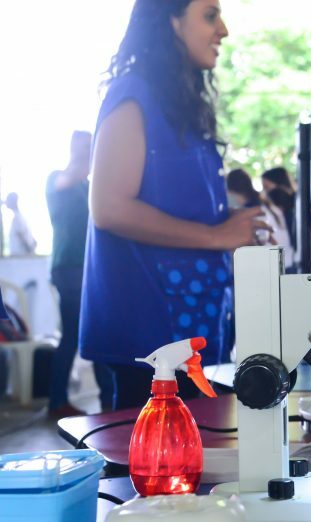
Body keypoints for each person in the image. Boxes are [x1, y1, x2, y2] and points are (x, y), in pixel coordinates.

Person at [80, 0, 269, 409]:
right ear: (171, 20)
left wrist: (233, 230)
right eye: (209, 15)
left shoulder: (179, 107)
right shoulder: (133, 94)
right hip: (152, 341)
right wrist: (217, 235)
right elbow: (109, 207)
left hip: (190, 340)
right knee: (155, 469)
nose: (224, 29)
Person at [46, 130, 114, 417]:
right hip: (69, 267)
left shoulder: (90, 186)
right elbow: (67, 180)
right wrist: (93, 158)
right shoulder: (57, 178)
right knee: (73, 336)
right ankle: (57, 401)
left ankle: (109, 401)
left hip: (92, 269)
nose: (87, 150)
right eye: (83, 145)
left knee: (100, 334)